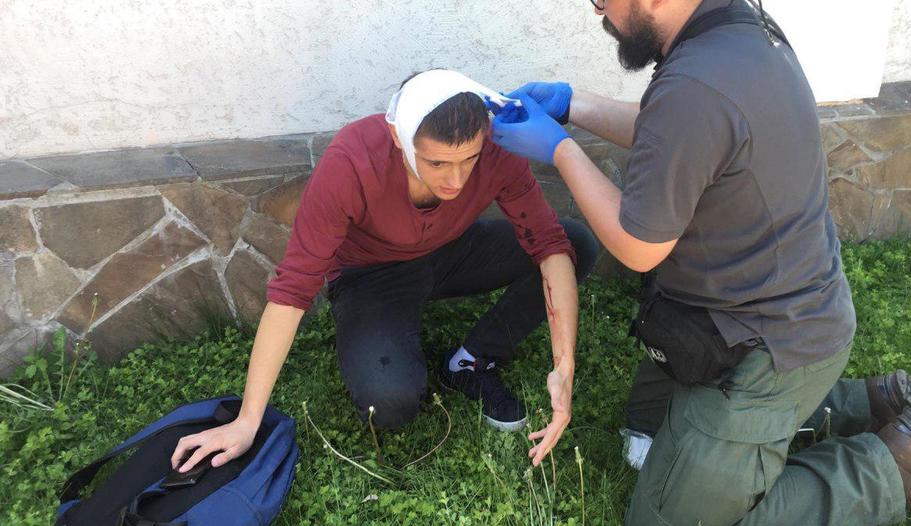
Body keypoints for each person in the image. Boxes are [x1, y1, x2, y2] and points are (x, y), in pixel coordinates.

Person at [490, 0, 911, 524]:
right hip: (751, 309)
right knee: (659, 430)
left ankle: (887, 466)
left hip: (766, 343)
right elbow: (677, 138)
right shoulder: (735, 28)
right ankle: (867, 403)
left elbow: (639, 246)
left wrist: (560, 151)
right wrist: (573, 104)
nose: (602, 12)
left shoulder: (697, 81)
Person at [170, 69, 598, 476]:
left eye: (469, 159)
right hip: (371, 274)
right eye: (436, 163)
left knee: (574, 243)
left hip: (452, 250)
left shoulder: (497, 146)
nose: (456, 180)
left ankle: (470, 360)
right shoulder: (351, 161)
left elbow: (549, 246)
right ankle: (382, 342)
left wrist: (564, 365)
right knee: (389, 402)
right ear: (398, 137)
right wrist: (247, 420)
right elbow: (292, 291)